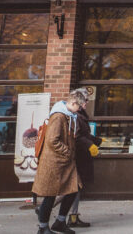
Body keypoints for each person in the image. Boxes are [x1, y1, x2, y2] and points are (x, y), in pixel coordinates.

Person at [33, 89, 87, 234]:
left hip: (64, 162)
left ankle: (60, 222)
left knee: (74, 188)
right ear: (73, 103)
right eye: (79, 106)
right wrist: (68, 152)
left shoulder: (69, 116)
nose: (80, 109)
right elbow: (52, 140)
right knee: (50, 195)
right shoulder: (59, 116)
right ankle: (43, 227)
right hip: (54, 163)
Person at [66, 89, 102, 228]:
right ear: (78, 101)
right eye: (85, 100)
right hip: (77, 157)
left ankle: (73, 217)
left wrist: (98, 141)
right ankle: (48, 208)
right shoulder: (75, 116)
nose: (87, 102)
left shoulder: (81, 115)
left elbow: (84, 135)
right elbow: (78, 137)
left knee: (76, 188)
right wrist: (91, 145)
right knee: (74, 187)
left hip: (81, 156)